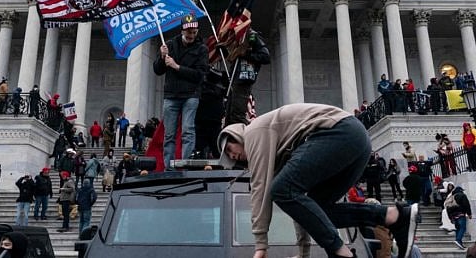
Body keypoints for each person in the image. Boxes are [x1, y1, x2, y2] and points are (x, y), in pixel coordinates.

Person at [217, 103, 420, 258]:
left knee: (279, 189)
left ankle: (341, 253)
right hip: (356, 140)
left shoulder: (254, 132)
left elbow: (260, 190)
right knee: (317, 209)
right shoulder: (279, 150)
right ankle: (393, 216)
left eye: (229, 149)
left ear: (237, 136)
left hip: (339, 133)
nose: (232, 157)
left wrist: (260, 245)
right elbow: (303, 210)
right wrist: (304, 253)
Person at [153, 14, 208, 170]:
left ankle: (186, 165)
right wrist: (162, 57)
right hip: (171, 95)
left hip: (191, 95)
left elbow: (200, 75)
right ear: (182, 30)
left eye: (194, 32)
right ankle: (168, 167)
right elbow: (157, 70)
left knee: (187, 131)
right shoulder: (170, 45)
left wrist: (177, 67)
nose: (191, 35)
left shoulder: (201, 48)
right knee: (169, 134)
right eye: (188, 32)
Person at [224, 29, 270, 126]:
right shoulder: (235, 37)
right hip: (233, 80)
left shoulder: (252, 36)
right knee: (229, 115)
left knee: (237, 115)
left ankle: (244, 136)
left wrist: (246, 54)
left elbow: (265, 56)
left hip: (244, 80)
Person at [445, 185, 471, 250]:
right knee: (462, 228)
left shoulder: (452, 197)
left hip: (454, 216)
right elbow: (466, 205)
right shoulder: (462, 196)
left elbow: (448, 208)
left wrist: (450, 217)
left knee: (458, 229)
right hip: (461, 215)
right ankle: (458, 240)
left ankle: (459, 243)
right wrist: (469, 214)